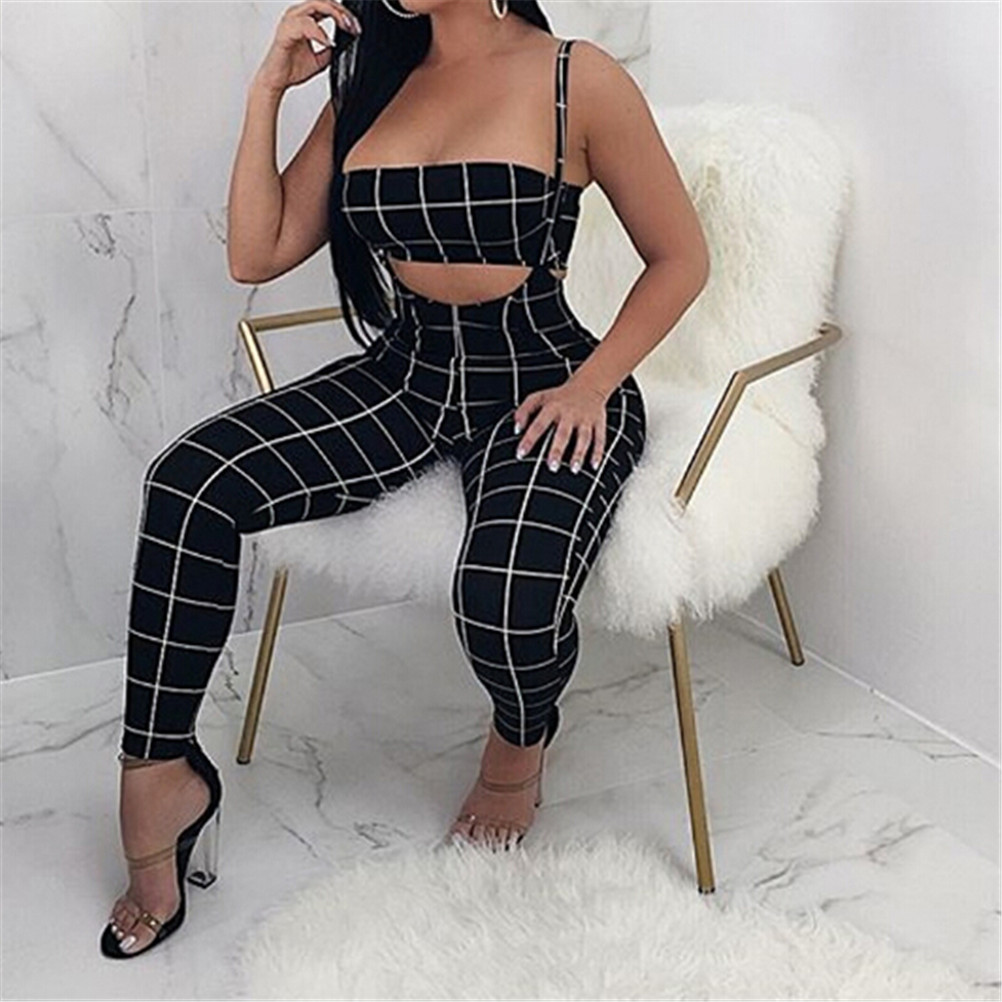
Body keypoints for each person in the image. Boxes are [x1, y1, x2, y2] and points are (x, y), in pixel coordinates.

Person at [101, 0, 710, 960]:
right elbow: (257, 252)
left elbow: (680, 258)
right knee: (190, 481)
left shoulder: (575, 76)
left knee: (504, 600)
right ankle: (159, 771)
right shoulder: (370, 86)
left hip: (544, 376)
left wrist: (594, 385)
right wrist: (267, 91)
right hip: (405, 375)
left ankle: (519, 741)